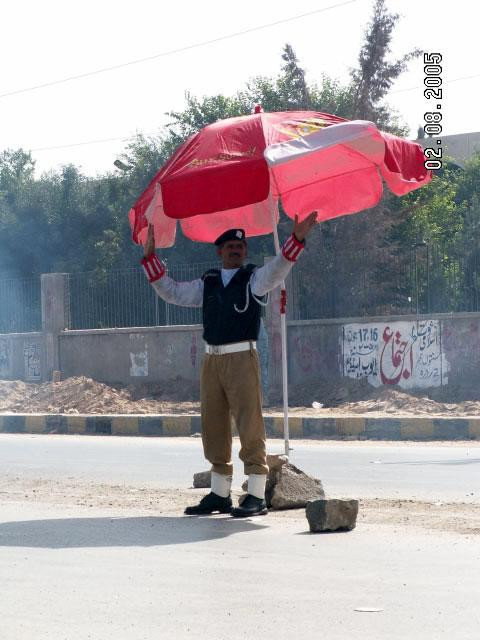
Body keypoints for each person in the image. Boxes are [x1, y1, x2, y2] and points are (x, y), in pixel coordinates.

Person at [141, 212, 318, 517]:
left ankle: (256, 495)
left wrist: (297, 239)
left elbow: (278, 270)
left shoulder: (253, 279)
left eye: (240, 246)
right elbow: (171, 291)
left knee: (250, 424)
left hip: (241, 357)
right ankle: (220, 494)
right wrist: (150, 258)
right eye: (230, 247)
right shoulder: (207, 282)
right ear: (219, 251)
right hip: (212, 360)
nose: (236, 250)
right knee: (213, 426)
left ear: (245, 251)